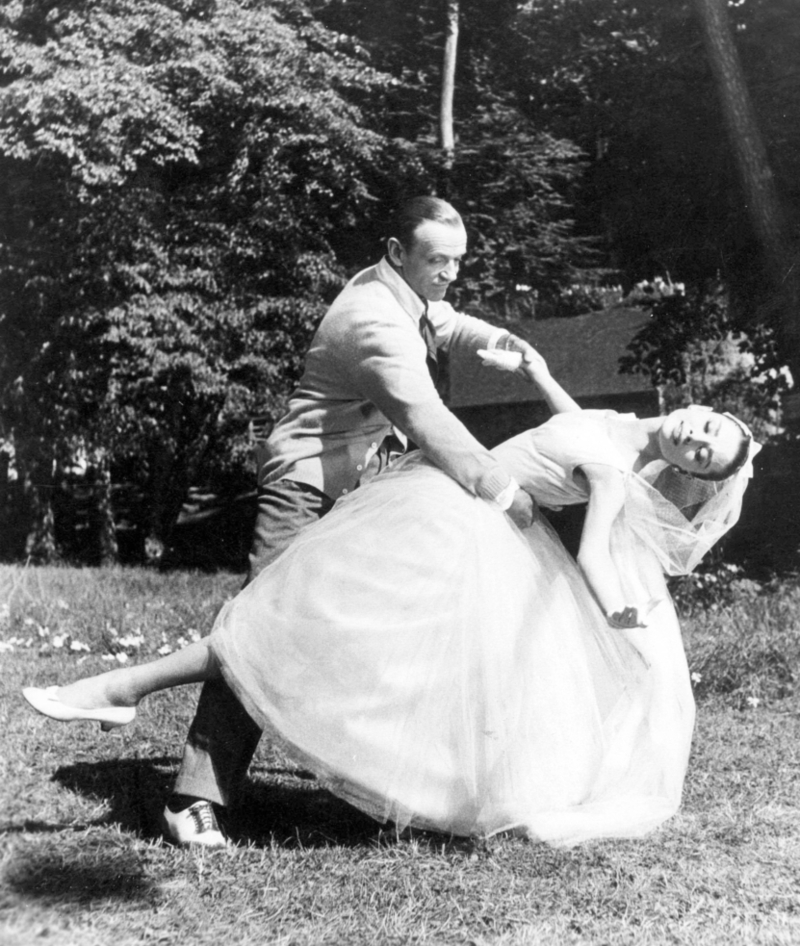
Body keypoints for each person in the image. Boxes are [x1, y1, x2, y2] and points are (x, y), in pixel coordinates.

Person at [23, 356, 759, 848]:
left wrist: (616, 612)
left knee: (311, 631)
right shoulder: (620, 427)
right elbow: (574, 422)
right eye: (708, 426)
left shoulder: (613, 470)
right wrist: (536, 369)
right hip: (449, 504)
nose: (696, 437)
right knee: (307, 628)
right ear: (698, 405)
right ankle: (126, 693)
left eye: (703, 455)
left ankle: (124, 688)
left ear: (689, 475)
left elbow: (595, 547)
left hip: (459, 530)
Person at [140, 196, 545, 846]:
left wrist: (497, 339)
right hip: (304, 485)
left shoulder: (398, 291)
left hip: (359, 489)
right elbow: (427, 421)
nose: (447, 274)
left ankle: (382, 792)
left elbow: (443, 319)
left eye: (456, 262)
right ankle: (193, 798)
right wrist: (500, 489)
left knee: (377, 632)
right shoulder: (372, 321)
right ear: (396, 253)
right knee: (259, 635)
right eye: (435, 260)